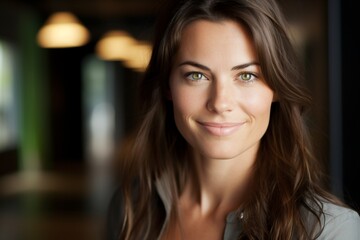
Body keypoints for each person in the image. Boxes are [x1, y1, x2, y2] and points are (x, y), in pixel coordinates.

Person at [106, 0, 360, 239]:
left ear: (277, 88)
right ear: (167, 86)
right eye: (196, 75)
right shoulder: (131, 207)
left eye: (247, 76)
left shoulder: (326, 230)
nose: (220, 103)